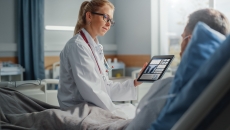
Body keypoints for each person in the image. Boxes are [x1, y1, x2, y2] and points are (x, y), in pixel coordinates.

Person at [126, 8, 230, 130]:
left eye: (182, 37)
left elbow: (136, 126)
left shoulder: (167, 88)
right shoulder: (222, 87)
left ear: (190, 40)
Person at [57, 0, 146, 119]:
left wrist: (136, 82)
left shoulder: (94, 48)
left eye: (111, 20)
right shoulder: (77, 46)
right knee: (132, 116)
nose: (109, 24)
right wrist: (115, 113)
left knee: (135, 111)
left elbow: (106, 88)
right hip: (78, 111)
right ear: (89, 16)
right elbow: (92, 91)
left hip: (91, 107)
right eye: (105, 17)